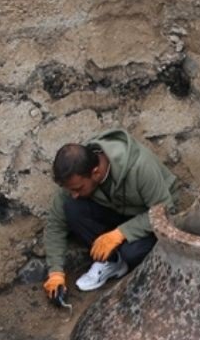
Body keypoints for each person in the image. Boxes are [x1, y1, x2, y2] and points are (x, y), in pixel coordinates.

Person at [42, 128, 179, 299]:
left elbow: (165, 211)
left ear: (96, 173)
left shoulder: (140, 166)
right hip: (118, 211)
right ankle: (111, 261)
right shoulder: (77, 173)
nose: (74, 193)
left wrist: (122, 233)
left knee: (132, 253)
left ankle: (141, 266)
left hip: (151, 216)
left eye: (78, 188)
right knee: (72, 207)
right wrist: (55, 272)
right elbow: (55, 224)